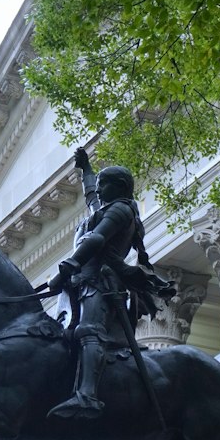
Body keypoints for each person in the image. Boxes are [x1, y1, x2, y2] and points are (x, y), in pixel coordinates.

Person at [47, 148, 173, 420]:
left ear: (119, 187)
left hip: (101, 283)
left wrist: (65, 269)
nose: (100, 189)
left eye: (105, 183)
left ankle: (88, 395)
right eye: (101, 183)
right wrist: (86, 170)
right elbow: (92, 195)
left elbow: (96, 241)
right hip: (82, 282)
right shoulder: (105, 207)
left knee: (89, 331)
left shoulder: (121, 210)